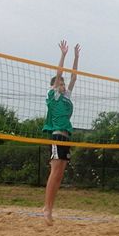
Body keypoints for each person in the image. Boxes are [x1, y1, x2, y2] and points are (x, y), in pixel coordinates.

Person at [42, 39, 80, 225]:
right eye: (60, 84)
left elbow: (73, 77)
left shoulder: (66, 98)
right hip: (57, 135)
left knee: (60, 174)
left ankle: (50, 209)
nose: (64, 85)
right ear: (55, 86)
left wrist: (76, 57)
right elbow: (60, 74)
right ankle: (46, 209)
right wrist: (64, 55)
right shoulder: (55, 96)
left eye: (63, 84)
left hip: (66, 137)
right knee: (55, 172)